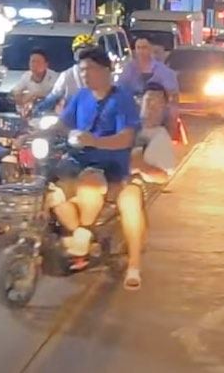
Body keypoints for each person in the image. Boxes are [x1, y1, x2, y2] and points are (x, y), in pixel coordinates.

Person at [19, 47, 145, 290]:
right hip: (77, 158)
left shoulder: (122, 100)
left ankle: (96, 241)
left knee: (89, 185)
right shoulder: (81, 97)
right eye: (83, 70)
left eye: (90, 69)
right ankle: (78, 234)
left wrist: (95, 141)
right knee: (50, 191)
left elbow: (126, 138)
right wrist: (33, 134)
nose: (85, 75)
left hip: (109, 164)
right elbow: (63, 125)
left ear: (106, 71)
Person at [36, 34, 97, 113]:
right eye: (81, 53)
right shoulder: (67, 75)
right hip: (72, 116)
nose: (85, 56)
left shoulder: (103, 73)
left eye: (89, 53)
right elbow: (54, 96)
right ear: (75, 55)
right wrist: (38, 109)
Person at [131, 83, 177, 184]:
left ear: (163, 108)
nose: (152, 107)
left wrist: (140, 165)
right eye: (149, 101)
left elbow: (163, 177)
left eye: (158, 104)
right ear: (140, 102)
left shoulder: (161, 136)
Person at [10, 48, 58, 116]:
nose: (34, 64)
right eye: (32, 61)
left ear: (46, 64)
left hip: (49, 113)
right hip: (29, 112)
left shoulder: (55, 78)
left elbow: (57, 96)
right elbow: (15, 91)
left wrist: (35, 95)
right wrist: (17, 95)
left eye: (38, 61)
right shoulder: (26, 76)